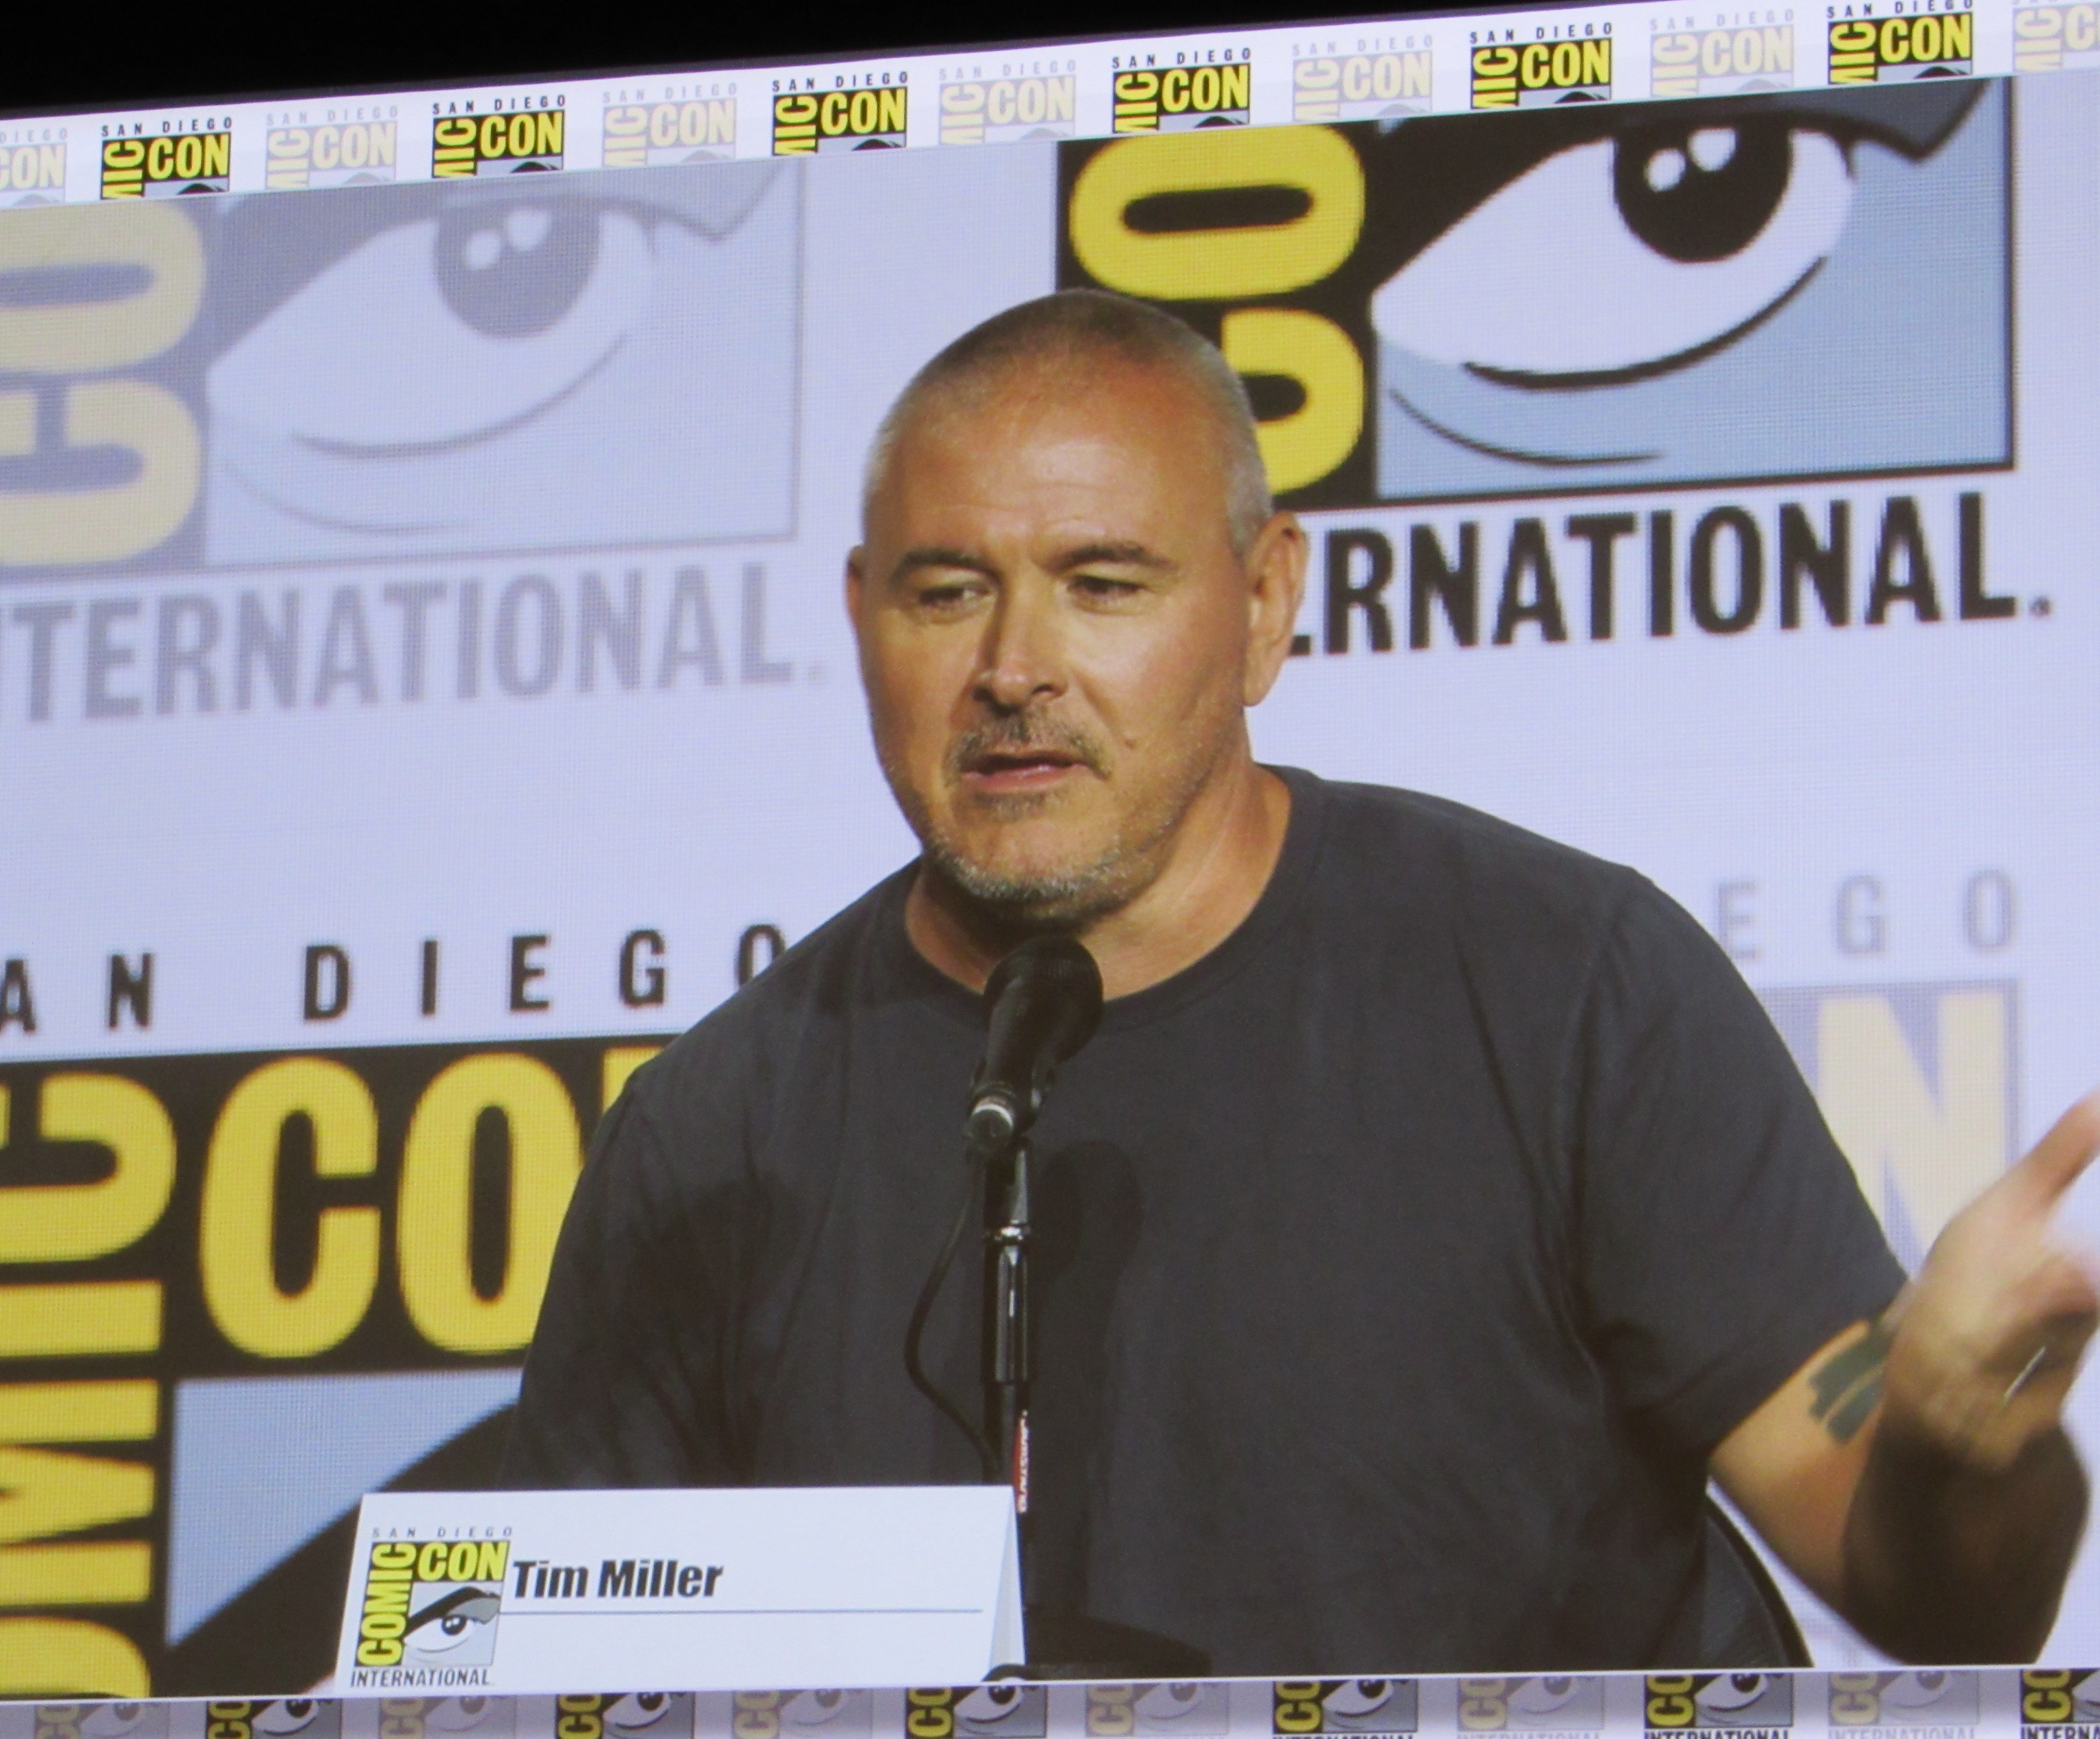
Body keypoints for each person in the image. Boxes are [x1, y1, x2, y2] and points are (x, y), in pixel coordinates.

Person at [505, 289, 2094, 1672]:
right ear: (862, 618)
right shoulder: (705, 1143)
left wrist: (1961, 1450)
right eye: (946, 592)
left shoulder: (1562, 990)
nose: (1014, 667)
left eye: (1104, 583)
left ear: (1264, 604)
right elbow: (565, 1676)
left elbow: (1947, 1608)